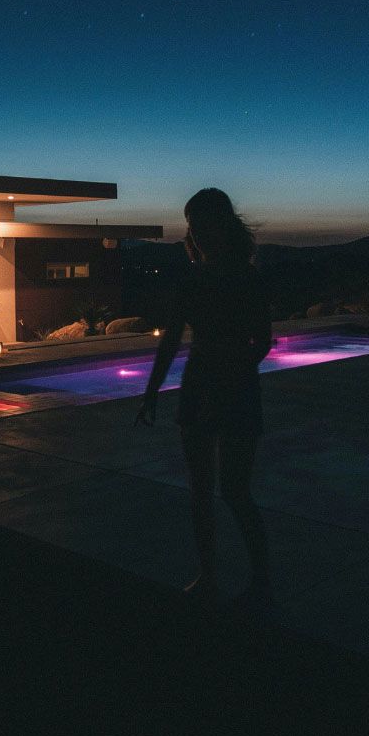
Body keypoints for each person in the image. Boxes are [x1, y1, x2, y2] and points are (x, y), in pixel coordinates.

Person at [134, 188, 273, 605]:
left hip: (233, 386)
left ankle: (261, 579)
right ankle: (209, 575)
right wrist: (153, 389)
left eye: (202, 223)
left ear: (222, 227)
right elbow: (172, 340)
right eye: (193, 224)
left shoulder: (247, 279)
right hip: (200, 386)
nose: (196, 232)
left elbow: (263, 341)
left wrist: (233, 371)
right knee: (200, 489)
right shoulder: (194, 280)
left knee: (233, 489)